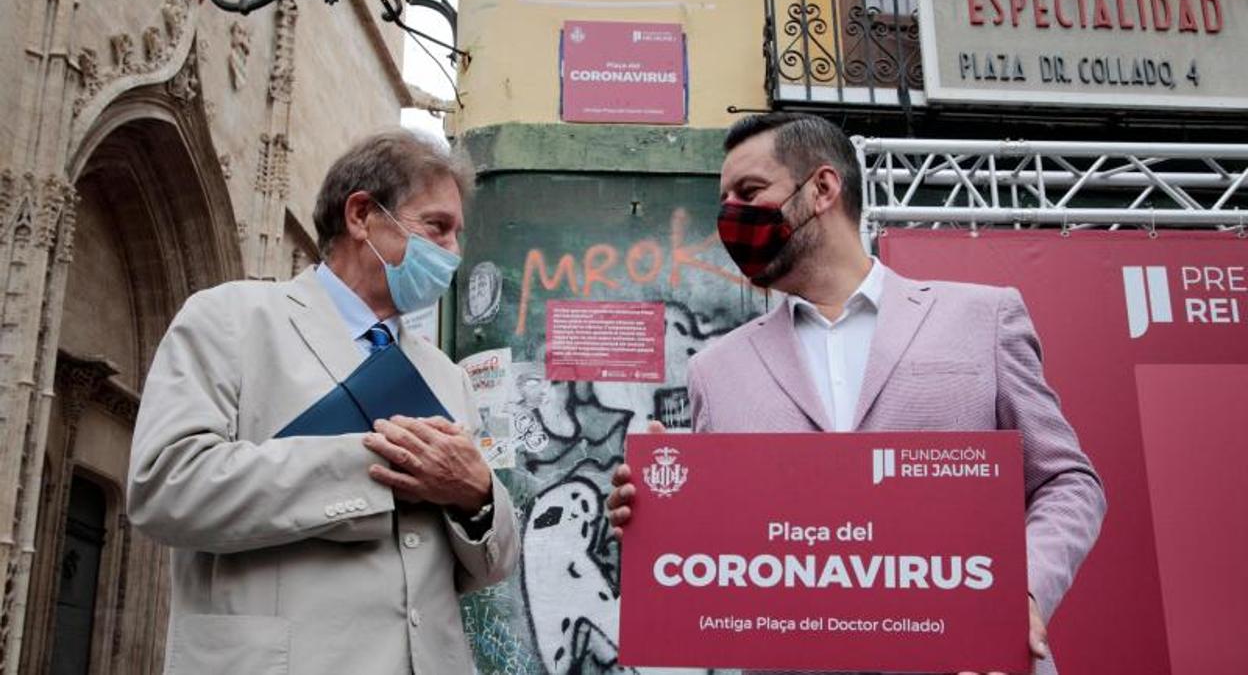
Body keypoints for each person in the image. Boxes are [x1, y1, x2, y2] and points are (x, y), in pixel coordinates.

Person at [607, 113, 1106, 675]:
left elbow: (1067, 482)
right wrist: (656, 516)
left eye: (749, 192)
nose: (730, 216)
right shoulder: (715, 371)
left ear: (822, 188)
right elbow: (727, 547)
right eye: (724, 199)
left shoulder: (983, 318)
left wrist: (1026, 590)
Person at [128, 129, 519, 674]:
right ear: (361, 215)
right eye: (437, 227)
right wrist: (380, 464)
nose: (454, 252)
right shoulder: (231, 321)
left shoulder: (447, 379)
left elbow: (487, 566)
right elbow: (164, 487)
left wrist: (474, 497)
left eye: (458, 233)